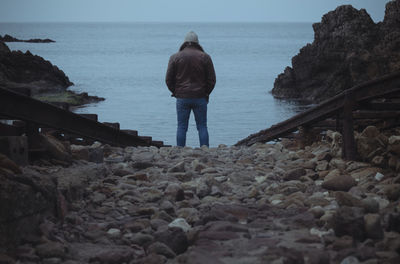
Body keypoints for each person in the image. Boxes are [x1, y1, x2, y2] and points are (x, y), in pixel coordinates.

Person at [165, 31, 216, 147]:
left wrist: (176, 92)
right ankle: (205, 150)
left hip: (182, 97)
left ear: (184, 43)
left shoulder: (175, 57)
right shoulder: (205, 57)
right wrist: (206, 92)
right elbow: (212, 80)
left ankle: (180, 151)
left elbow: (168, 79)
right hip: (200, 97)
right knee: (202, 126)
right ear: (197, 43)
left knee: (182, 127)